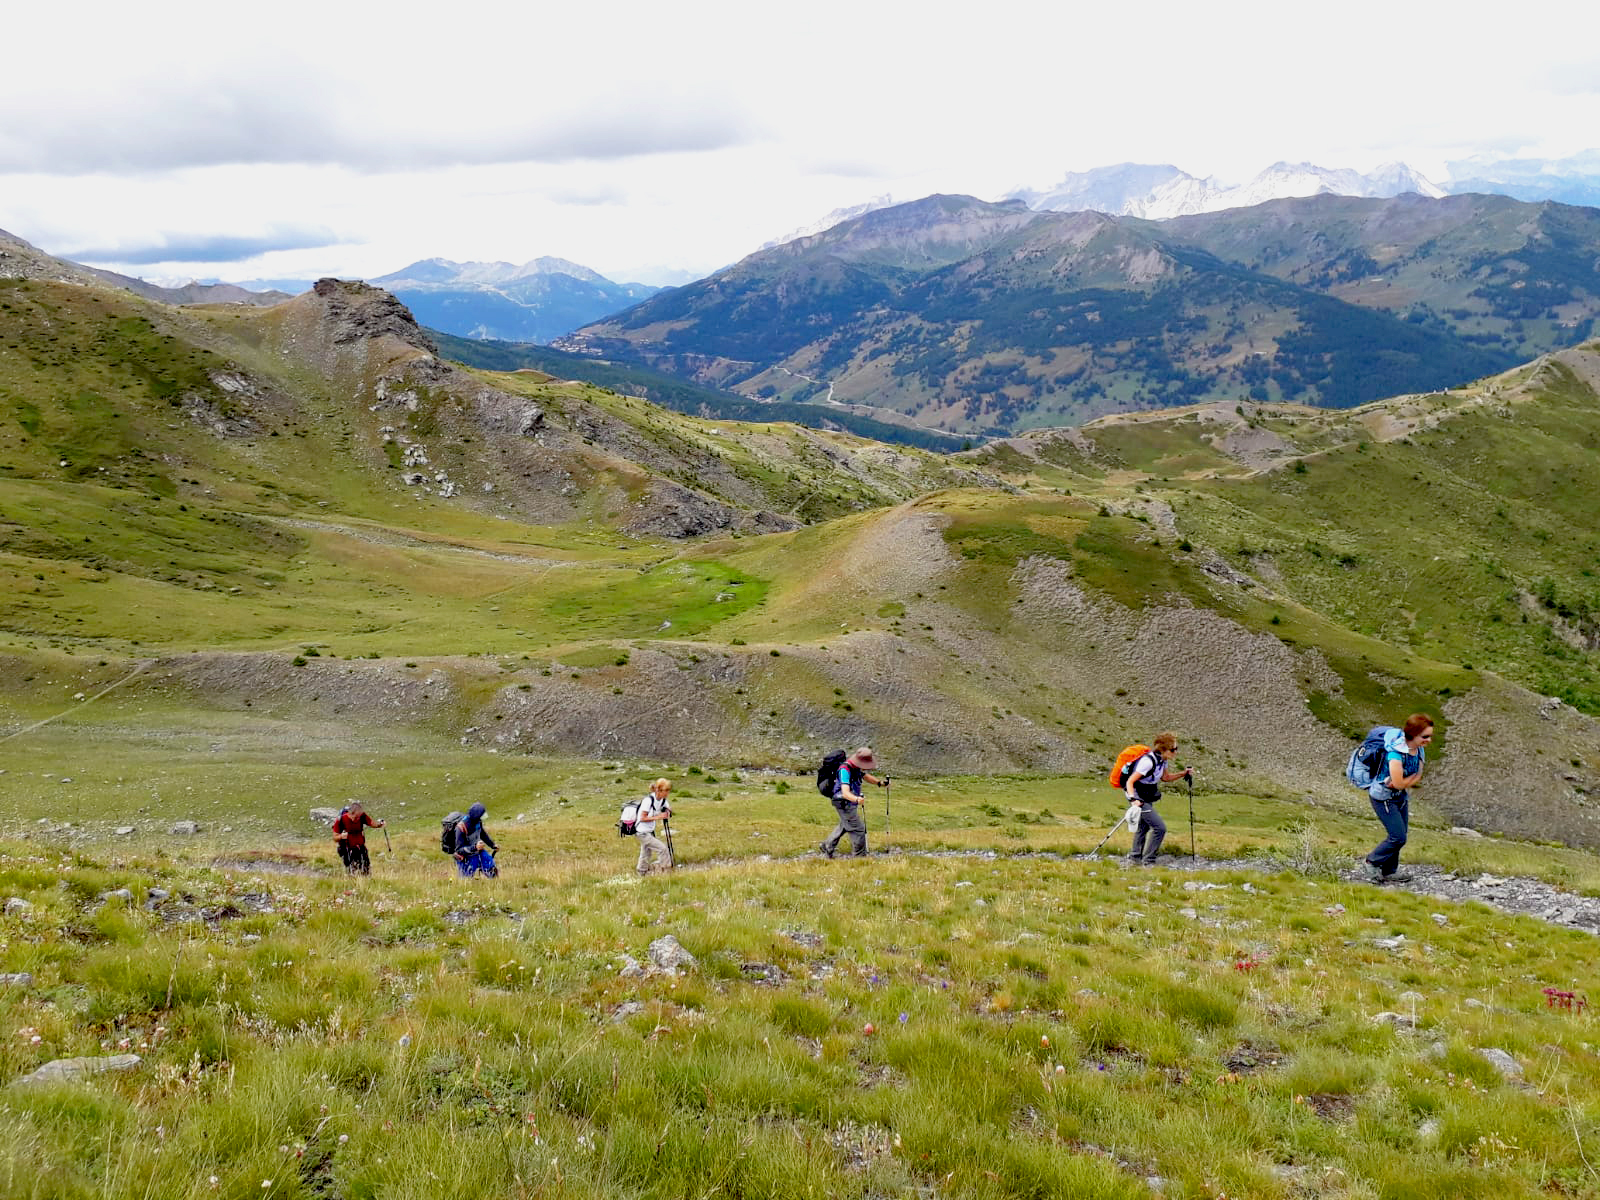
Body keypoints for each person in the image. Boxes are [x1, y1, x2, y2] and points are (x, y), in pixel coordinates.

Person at [1362, 713, 1433, 884]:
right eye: (1425, 736)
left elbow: (1416, 776)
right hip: (1383, 797)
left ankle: (1389, 871)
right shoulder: (1395, 754)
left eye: (1430, 736)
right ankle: (1372, 862)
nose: (1429, 740)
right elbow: (1402, 782)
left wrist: (1402, 782)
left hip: (1400, 797)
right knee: (1398, 837)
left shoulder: (1419, 749)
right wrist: (1404, 782)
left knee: (1401, 835)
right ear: (1413, 734)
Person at [1124, 733, 1191, 866]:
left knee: (1143, 827)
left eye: (1176, 749)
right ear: (1163, 749)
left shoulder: (1163, 760)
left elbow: (1165, 778)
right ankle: (1148, 861)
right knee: (1159, 828)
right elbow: (1130, 781)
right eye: (1173, 749)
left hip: (1146, 795)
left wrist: (1183, 773)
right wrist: (1133, 800)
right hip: (1137, 796)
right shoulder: (1148, 762)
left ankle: (1135, 858)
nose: (1175, 752)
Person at [820, 746, 887, 859]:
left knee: (845, 825)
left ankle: (827, 845)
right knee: (858, 829)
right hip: (844, 803)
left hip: (848, 802)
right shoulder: (845, 770)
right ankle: (859, 857)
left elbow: (865, 776)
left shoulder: (854, 767)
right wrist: (856, 799)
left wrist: (879, 783)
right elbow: (845, 792)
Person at [332, 802, 383, 875]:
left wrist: (379, 824)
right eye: (356, 817)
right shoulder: (341, 820)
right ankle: (354, 881)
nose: (358, 819)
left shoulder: (362, 816)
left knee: (366, 869)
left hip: (360, 847)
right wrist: (341, 836)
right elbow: (335, 837)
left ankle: (366, 881)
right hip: (347, 850)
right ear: (350, 814)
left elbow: (371, 823)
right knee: (352, 871)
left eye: (359, 817)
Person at [635, 778, 674, 875]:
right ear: (658, 790)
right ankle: (666, 871)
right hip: (641, 832)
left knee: (646, 852)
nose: (667, 793)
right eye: (666, 790)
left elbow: (669, 809)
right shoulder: (648, 801)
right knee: (662, 849)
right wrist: (659, 817)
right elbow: (642, 818)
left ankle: (641, 872)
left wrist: (668, 812)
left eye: (668, 790)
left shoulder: (663, 800)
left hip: (649, 831)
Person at [453, 802, 499, 877]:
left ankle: (495, 882)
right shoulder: (460, 828)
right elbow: (459, 850)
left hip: (478, 851)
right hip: (465, 858)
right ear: (476, 816)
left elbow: (482, 834)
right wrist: (475, 847)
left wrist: (492, 845)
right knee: (467, 881)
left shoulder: (478, 822)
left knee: (491, 866)